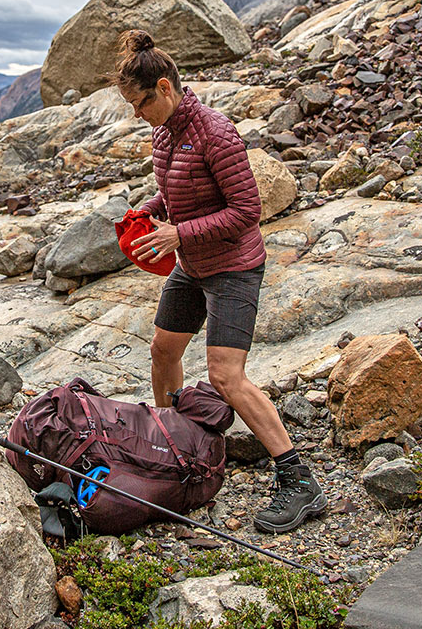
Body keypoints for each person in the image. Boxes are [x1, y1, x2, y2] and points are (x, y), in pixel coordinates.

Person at [111, 28, 325, 534]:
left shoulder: (216, 133)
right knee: (164, 350)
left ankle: (299, 480)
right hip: (193, 263)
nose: (137, 115)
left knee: (226, 376)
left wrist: (177, 233)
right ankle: (170, 440)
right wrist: (151, 211)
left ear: (164, 88)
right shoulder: (165, 134)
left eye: (140, 103)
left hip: (233, 267)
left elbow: (247, 211)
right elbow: (177, 191)